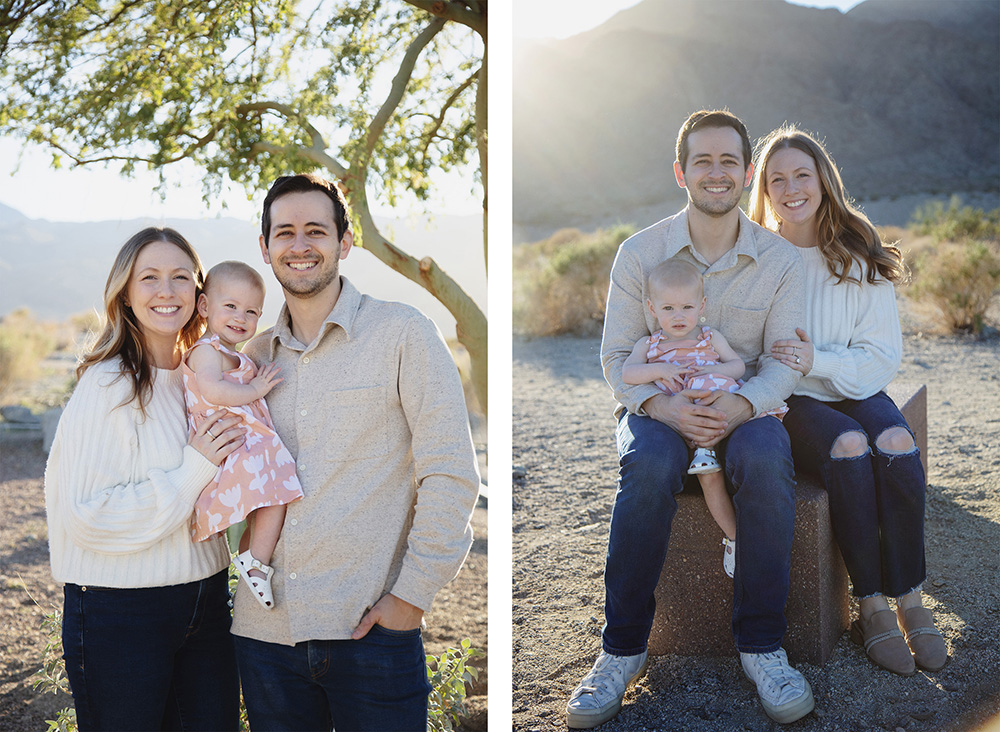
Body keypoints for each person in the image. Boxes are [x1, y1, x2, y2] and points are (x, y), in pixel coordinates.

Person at [566, 109, 813, 728]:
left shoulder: (780, 261)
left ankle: (763, 647)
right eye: (702, 160)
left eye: (729, 160)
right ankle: (621, 650)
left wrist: (742, 403)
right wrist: (661, 406)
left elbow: (785, 361)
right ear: (682, 172)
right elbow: (615, 358)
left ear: (747, 171)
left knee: (765, 456)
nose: (716, 171)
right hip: (656, 404)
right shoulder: (638, 254)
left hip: (745, 402)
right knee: (647, 463)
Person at [230, 173, 481, 731]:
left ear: (344, 243)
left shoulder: (403, 334)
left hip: (371, 635)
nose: (300, 245)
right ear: (266, 248)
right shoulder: (249, 360)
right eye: (285, 233)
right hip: (266, 642)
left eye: (316, 231)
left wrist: (410, 600)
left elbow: (451, 474)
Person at [748, 125, 948, 676]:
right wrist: (800, 370)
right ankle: (872, 604)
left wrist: (820, 361)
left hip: (854, 385)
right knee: (850, 445)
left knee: (896, 439)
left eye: (801, 175)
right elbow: (758, 357)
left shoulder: (858, 251)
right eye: (777, 178)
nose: (791, 188)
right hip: (791, 402)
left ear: (823, 180)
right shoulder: (757, 256)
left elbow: (881, 357)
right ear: (763, 189)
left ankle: (909, 595)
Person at [44, 227, 244, 731]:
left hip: (206, 598)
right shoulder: (107, 385)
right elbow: (87, 515)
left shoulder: (207, 379)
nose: (166, 291)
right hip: (121, 613)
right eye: (149, 277)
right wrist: (194, 469)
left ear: (200, 296)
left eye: (181, 277)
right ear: (126, 293)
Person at [181, 260, 304, 610]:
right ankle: (254, 561)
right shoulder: (207, 351)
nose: (240, 317)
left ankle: (251, 558)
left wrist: (254, 378)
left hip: (243, 441)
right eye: (230, 306)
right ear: (204, 306)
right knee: (278, 489)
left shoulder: (235, 354)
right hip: (230, 444)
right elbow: (214, 391)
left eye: (251, 311)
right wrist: (256, 387)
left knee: (270, 498)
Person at [621, 258, 747, 576]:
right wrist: (661, 369)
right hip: (679, 423)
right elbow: (628, 373)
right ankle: (732, 536)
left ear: (702, 305)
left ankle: (734, 539)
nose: (679, 317)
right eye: (668, 309)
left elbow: (738, 366)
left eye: (687, 307)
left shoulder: (710, 338)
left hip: (717, 418)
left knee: (713, 473)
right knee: (708, 477)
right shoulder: (649, 345)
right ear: (652, 308)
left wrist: (712, 369)